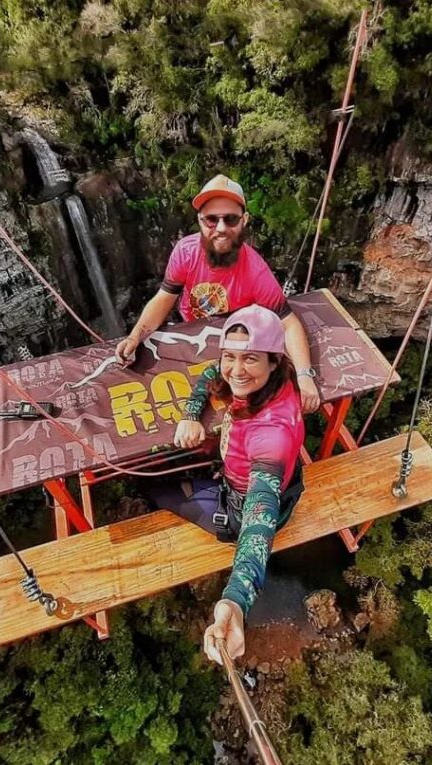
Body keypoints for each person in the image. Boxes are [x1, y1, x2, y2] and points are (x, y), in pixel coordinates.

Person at [148, 305, 306, 666]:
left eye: (250, 358)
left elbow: (258, 523)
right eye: (229, 356)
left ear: (273, 361)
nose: (236, 369)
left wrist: (235, 599)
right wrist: (191, 414)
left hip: (239, 508)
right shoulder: (279, 381)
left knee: (158, 488)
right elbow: (210, 373)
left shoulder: (271, 437)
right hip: (266, 481)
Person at [115, 174, 321, 413]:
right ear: (200, 221)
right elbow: (164, 298)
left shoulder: (255, 272)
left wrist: (305, 376)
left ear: (244, 220)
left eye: (230, 219)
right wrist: (135, 337)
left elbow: (288, 324)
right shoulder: (186, 252)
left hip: (236, 345)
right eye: (211, 220)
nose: (221, 228)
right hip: (193, 334)